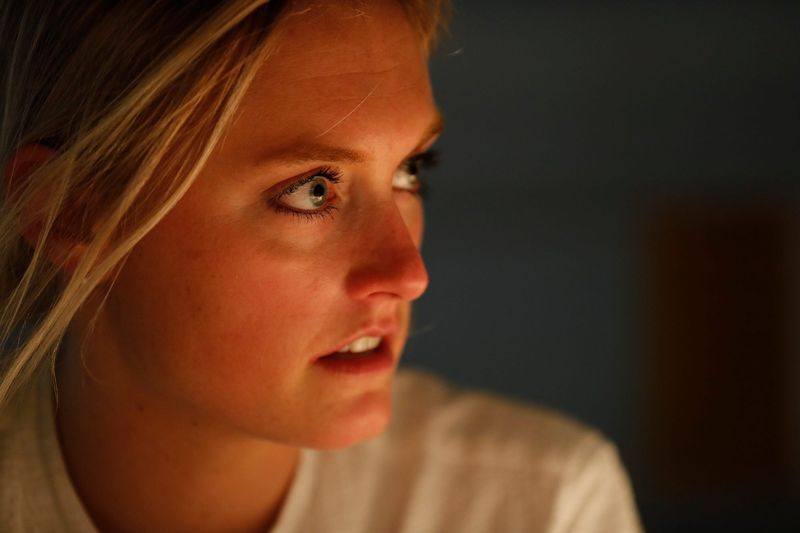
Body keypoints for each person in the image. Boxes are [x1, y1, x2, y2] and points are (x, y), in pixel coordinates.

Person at [0, 0, 643, 531]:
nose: (408, 272)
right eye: (313, 191)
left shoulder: (542, 506)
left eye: (409, 170)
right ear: (71, 213)